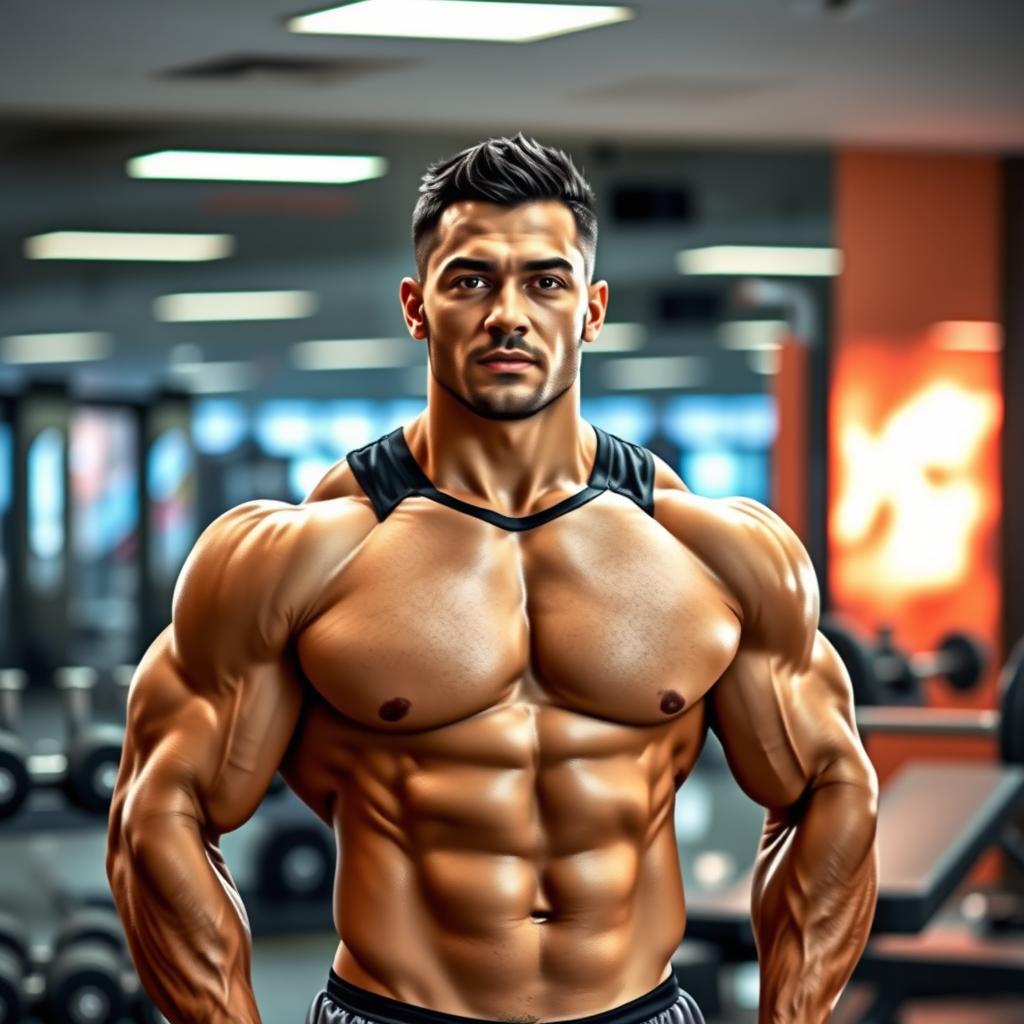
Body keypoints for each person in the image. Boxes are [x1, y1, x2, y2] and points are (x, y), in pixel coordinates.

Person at [107, 134, 878, 1024]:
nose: (507, 313)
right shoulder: (295, 560)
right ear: (416, 305)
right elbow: (159, 815)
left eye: (544, 282)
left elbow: (830, 788)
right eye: (471, 280)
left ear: (590, 311)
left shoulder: (718, 555)